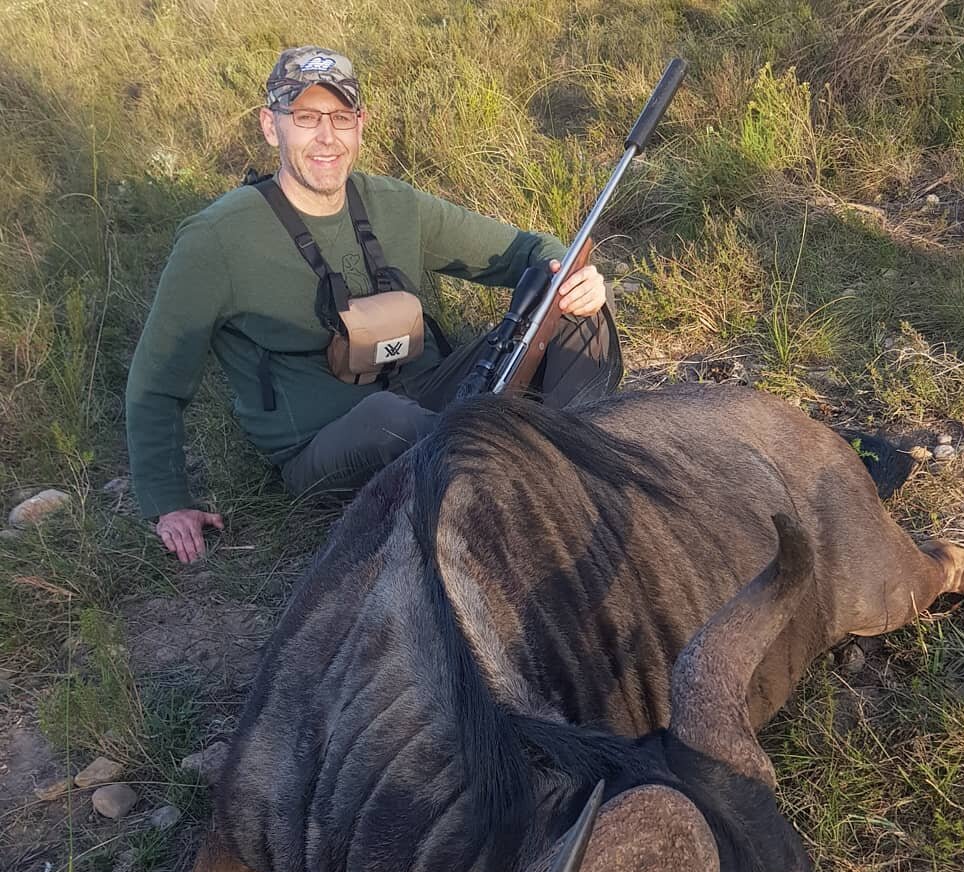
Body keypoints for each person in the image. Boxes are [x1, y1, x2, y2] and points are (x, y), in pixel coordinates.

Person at [126, 46, 622, 563]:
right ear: (271, 126)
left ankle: (571, 475)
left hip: (433, 395)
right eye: (306, 117)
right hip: (327, 445)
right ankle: (519, 502)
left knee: (575, 317)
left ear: (361, 125)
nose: (327, 137)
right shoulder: (215, 240)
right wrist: (168, 503)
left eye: (341, 118)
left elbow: (525, 251)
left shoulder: (393, 203)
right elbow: (157, 380)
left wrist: (573, 274)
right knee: (393, 421)